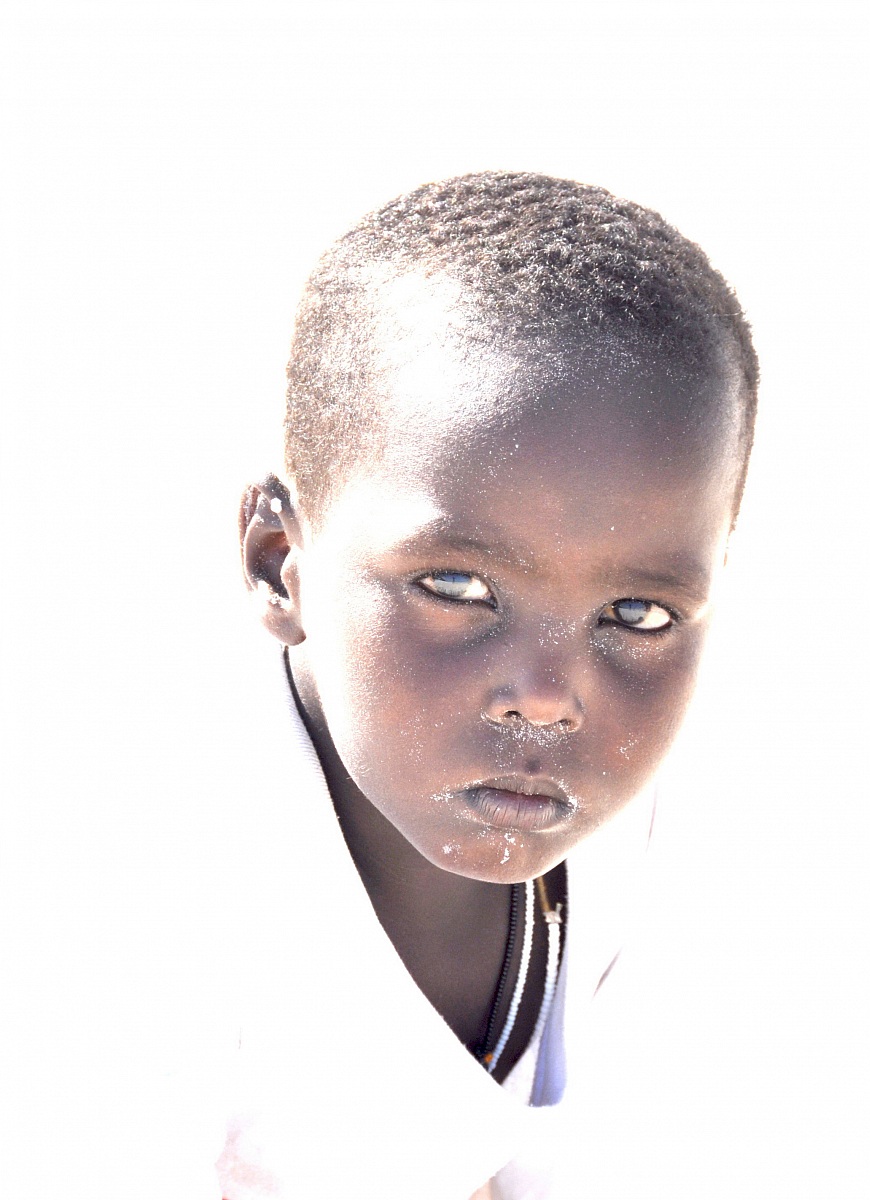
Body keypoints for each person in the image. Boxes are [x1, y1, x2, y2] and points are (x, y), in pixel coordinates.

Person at [222, 170, 758, 1199]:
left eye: (638, 616)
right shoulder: (130, 923)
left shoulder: (637, 852)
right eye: (457, 587)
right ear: (277, 559)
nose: (550, 698)